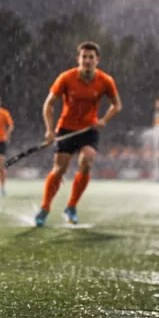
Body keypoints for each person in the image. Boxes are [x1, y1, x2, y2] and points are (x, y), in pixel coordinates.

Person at [36, 41, 122, 226]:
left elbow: (117, 105)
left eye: (91, 57)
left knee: (87, 160)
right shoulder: (66, 78)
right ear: (78, 59)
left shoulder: (106, 81)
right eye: (84, 57)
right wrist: (50, 131)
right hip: (66, 129)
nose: (87, 60)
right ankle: (45, 208)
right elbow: (49, 104)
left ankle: (71, 206)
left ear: (97, 60)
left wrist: (104, 120)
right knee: (59, 170)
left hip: (88, 130)